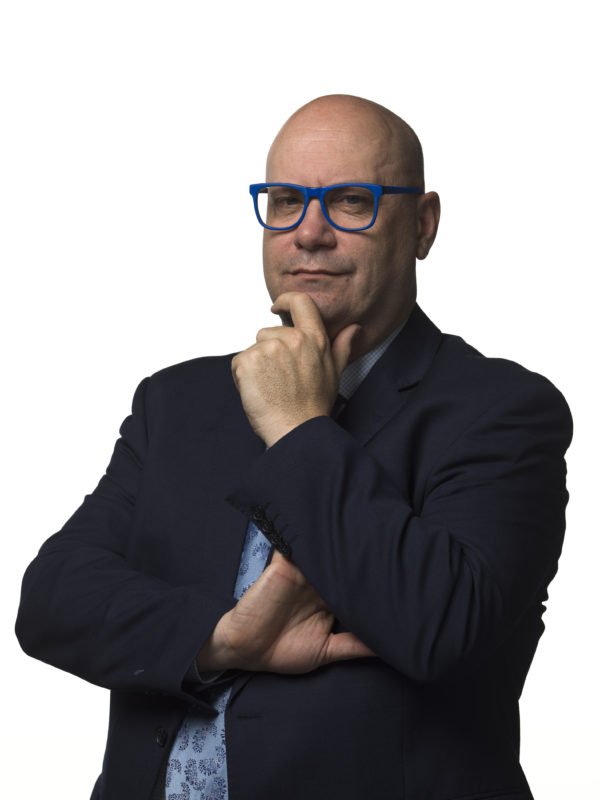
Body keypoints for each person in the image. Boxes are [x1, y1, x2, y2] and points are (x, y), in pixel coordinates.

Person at [16, 94, 572, 800]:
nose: (309, 233)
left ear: (423, 224)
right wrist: (223, 639)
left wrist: (296, 428)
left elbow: (443, 628)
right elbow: (53, 602)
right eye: (286, 202)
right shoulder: (175, 401)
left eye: (349, 201)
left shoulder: (503, 411)